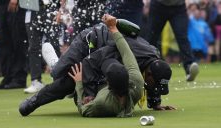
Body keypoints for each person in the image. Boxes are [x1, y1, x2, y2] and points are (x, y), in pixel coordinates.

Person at [19, 16, 175, 117]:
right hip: (91, 41)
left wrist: (156, 103)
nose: (154, 87)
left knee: (82, 79)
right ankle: (39, 92)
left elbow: (152, 79)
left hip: (106, 58)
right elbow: (91, 62)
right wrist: (89, 93)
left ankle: (62, 71)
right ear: (148, 74)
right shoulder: (125, 53)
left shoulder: (153, 58)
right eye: (155, 85)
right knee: (65, 78)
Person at [68, 14, 144, 117]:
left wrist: (79, 83)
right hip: (117, 90)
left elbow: (83, 110)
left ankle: (54, 65)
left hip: (97, 94)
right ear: (128, 76)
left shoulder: (101, 103)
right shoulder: (137, 82)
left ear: (107, 83)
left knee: (66, 76)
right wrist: (113, 28)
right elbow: (126, 52)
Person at [145, 0, 199, 81]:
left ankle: (189, 67)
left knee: (182, 37)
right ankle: (146, 68)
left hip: (179, 7)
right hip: (158, 6)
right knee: (151, 38)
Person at [23, 0, 62, 93]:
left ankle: (59, 79)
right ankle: (36, 81)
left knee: (53, 44)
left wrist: (61, 9)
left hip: (52, 8)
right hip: (32, 8)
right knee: (33, 47)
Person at [0, 0, 28, 89]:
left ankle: (19, 78)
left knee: (18, 40)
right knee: (3, 41)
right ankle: (8, 77)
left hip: (17, 3)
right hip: (2, 3)